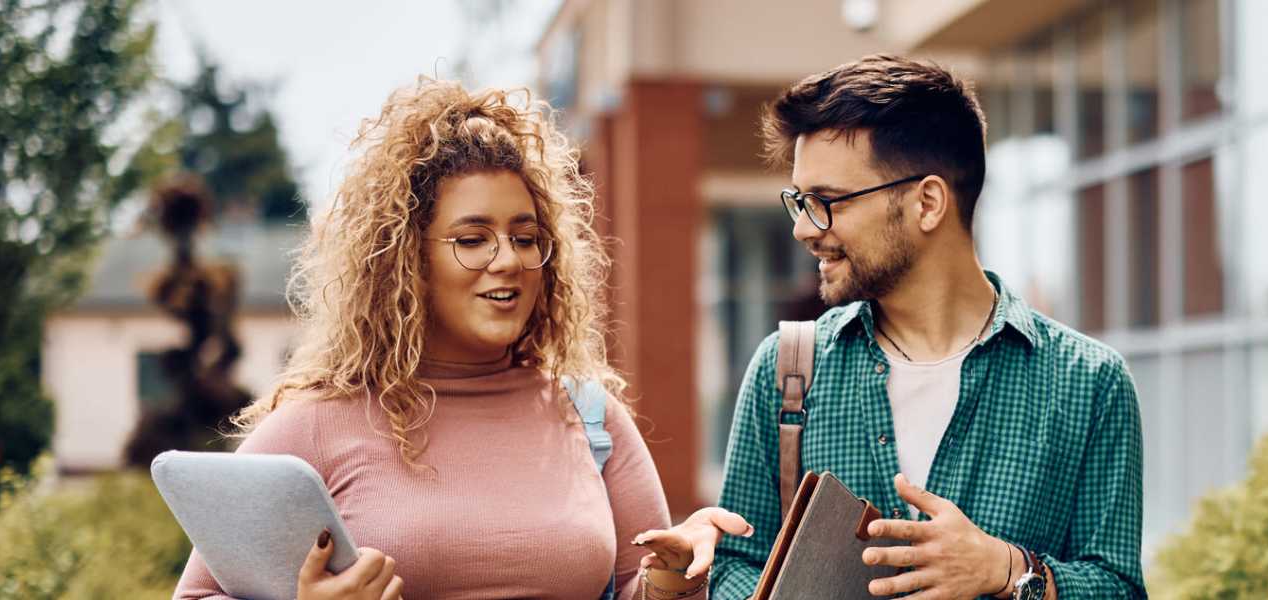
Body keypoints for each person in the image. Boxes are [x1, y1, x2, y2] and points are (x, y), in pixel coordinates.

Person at [173, 78, 749, 600]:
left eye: (525, 238)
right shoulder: (318, 422)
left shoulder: (592, 417)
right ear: (407, 261)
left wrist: (674, 577)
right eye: (472, 239)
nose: (509, 261)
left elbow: (633, 588)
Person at [708, 55, 1147, 599]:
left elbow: (1119, 587)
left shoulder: (1089, 384)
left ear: (928, 202)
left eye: (825, 202)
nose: (802, 228)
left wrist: (1009, 572)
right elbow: (733, 567)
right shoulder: (788, 367)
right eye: (799, 201)